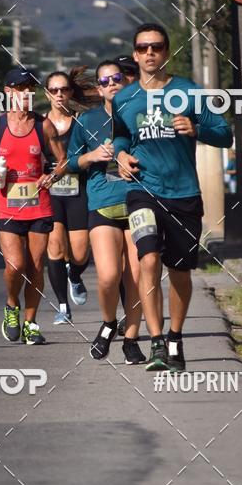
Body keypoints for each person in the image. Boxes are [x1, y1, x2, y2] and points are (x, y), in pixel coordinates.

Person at [113, 23, 233, 371]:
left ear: (167, 52)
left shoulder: (188, 92)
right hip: (142, 189)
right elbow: (121, 136)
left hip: (184, 193)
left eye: (157, 47)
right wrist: (120, 156)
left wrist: (198, 129)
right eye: (143, 47)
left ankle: (176, 336)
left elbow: (224, 134)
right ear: (135, 55)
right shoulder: (124, 98)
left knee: (179, 271)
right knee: (147, 259)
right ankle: (157, 343)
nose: (150, 53)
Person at [0, 67, 67, 345]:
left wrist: (52, 176)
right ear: (8, 92)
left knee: (37, 266)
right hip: (8, 204)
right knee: (15, 265)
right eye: (19, 88)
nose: (25, 93)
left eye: (29, 89)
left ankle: (31, 322)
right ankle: (11, 305)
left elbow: (63, 160)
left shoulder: (43, 125)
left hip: (39, 204)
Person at [66, 60, 145, 364]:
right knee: (109, 276)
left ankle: (132, 339)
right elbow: (70, 164)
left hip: (139, 201)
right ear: (99, 89)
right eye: (105, 81)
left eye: (117, 78)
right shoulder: (87, 121)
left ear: (125, 82)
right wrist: (91, 155)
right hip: (102, 203)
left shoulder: (141, 117)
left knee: (136, 276)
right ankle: (110, 323)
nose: (112, 83)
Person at [44, 71, 90, 325]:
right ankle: (63, 306)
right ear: (47, 94)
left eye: (64, 89)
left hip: (77, 191)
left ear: (71, 93)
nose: (59, 94)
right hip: (50, 194)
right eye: (54, 90)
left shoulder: (81, 122)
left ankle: (74, 274)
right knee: (55, 247)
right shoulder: (40, 123)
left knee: (81, 253)